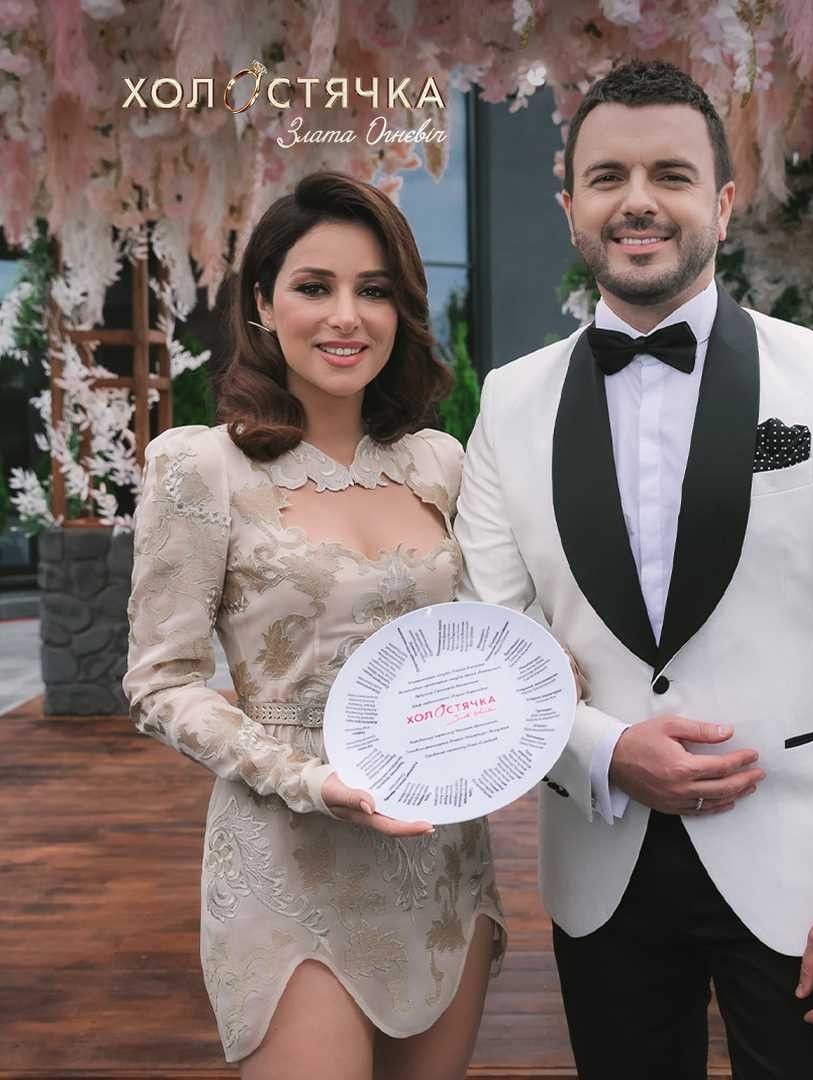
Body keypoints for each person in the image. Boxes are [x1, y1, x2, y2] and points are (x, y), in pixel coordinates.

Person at [453, 60, 813, 1079]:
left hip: (810, 877)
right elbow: (486, 641)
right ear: (570, 208)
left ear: (722, 206)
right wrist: (604, 749)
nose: (637, 200)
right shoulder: (509, 402)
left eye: (671, 175)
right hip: (601, 865)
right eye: (607, 177)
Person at [123, 171, 506, 1080]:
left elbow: (492, 632)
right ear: (262, 304)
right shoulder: (199, 467)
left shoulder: (441, 463)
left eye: (373, 290)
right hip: (289, 848)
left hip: (440, 849)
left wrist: (545, 678)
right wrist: (307, 779)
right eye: (314, 286)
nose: (346, 317)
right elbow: (160, 681)